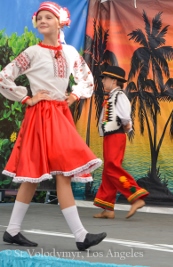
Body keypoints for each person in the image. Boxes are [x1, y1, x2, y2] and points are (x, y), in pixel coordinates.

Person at [0, 1, 107, 250]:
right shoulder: (31, 52)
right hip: (40, 115)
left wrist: (74, 95)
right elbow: (4, 76)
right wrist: (28, 97)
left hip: (59, 115)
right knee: (59, 173)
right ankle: (80, 235)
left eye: (48, 17)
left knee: (44, 175)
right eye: (40, 17)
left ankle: (13, 230)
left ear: (60, 22)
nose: (43, 21)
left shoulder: (69, 53)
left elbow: (86, 78)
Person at [93, 66, 149, 219]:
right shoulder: (112, 96)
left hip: (116, 136)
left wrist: (126, 125)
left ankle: (136, 197)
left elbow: (125, 117)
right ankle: (108, 207)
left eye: (105, 78)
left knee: (112, 167)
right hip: (110, 136)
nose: (103, 81)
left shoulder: (119, 96)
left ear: (114, 81)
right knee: (108, 170)